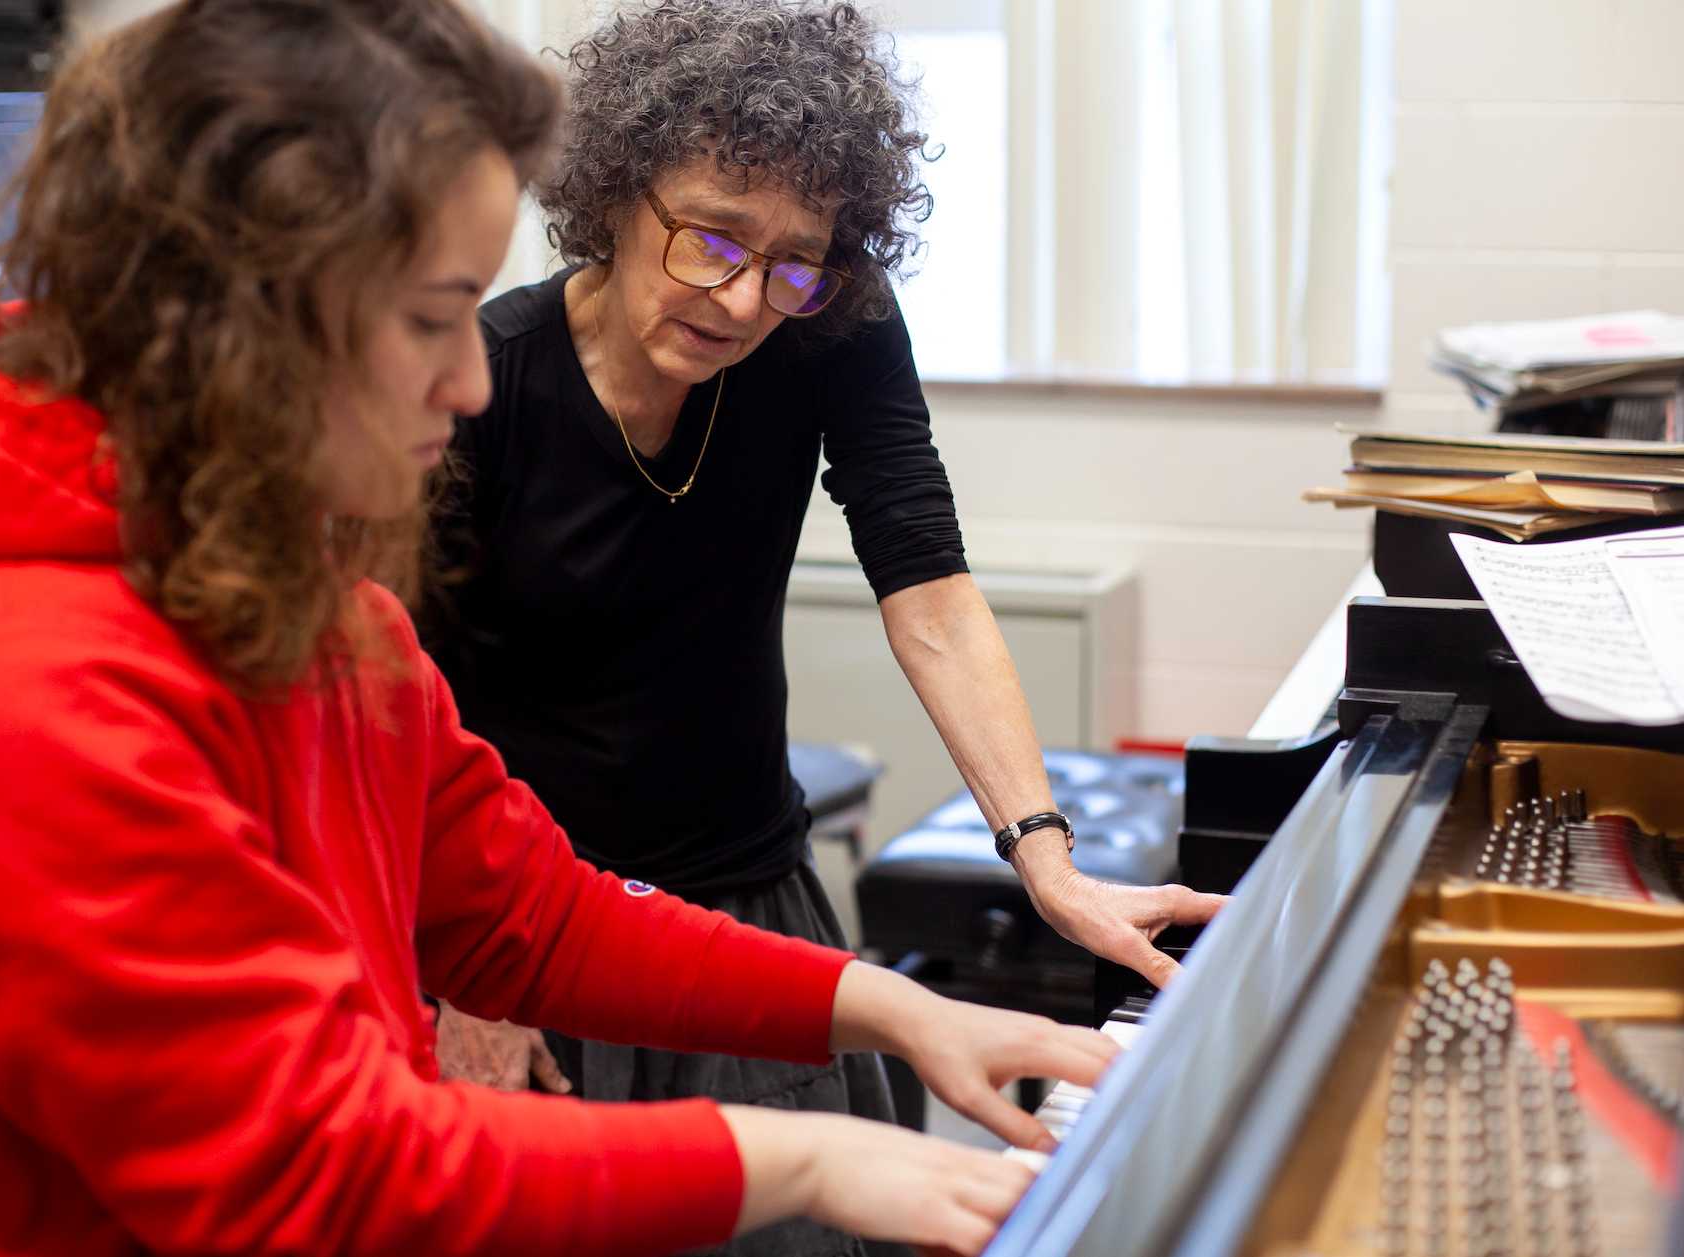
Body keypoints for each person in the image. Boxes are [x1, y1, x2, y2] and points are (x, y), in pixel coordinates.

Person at [0, 2, 1124, 1255]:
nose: (471, 378)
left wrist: (896, 1011)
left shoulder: (324, 616)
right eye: (433, 316)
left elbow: (533, 914)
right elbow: (316, 1172)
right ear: (237, 309)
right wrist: (810, 1154)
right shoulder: (1, 696)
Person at [423, 2, 1227, 1237]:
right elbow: (410, 725)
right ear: (618, 193)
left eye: (793, 260)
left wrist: (1046, 860)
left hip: (747, 904)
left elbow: (932, 590)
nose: (746, 299)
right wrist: (467, 974)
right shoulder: (485, 383)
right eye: (712, 241)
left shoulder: (827, 322)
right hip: (530, 935)